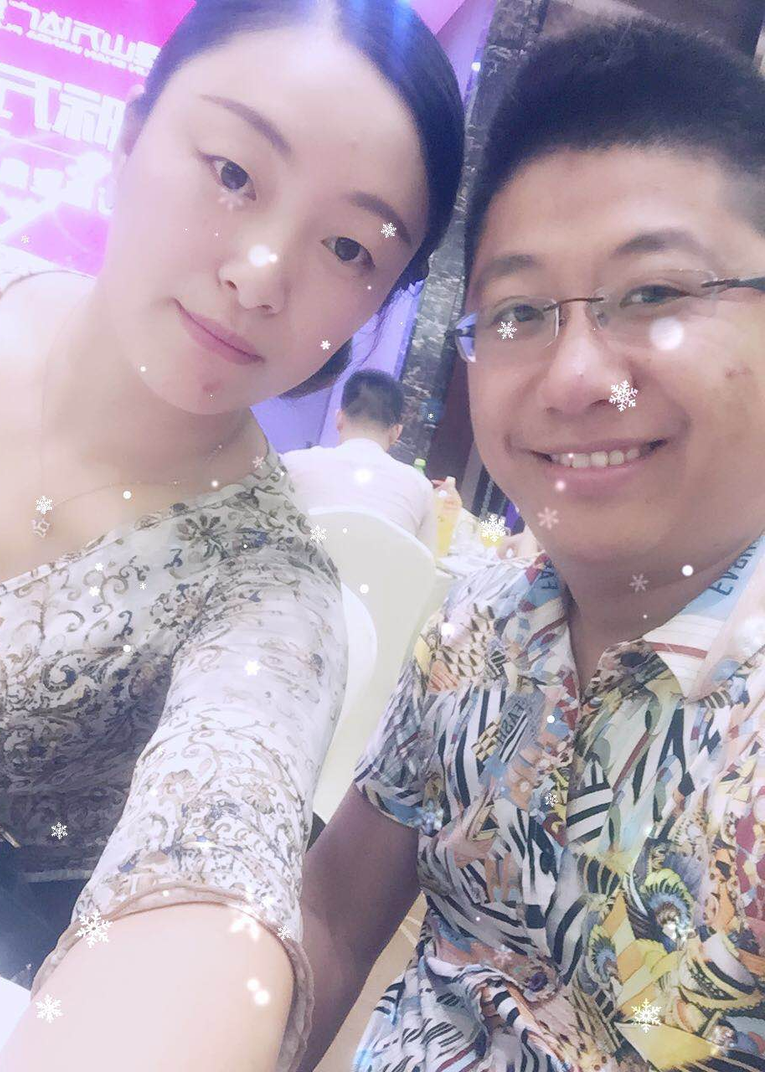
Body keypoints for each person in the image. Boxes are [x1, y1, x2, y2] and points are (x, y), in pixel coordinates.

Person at [0, 1, 465, 1069]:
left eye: (348, 246)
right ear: (132, 133)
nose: (260, 273)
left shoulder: (269, 595)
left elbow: (220, 854)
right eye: (234, 172)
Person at [299, 16, 765, 1072]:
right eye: (517, 312)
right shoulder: (481, 617)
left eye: (654, 293)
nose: (573, 376)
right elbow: (330, 917)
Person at [283, 369, 437, 551]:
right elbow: (426, 559)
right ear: (396, 433)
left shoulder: (292, 464)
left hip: (300, 567)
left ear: (339, 419)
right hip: (382, 570)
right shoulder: (420, 487)